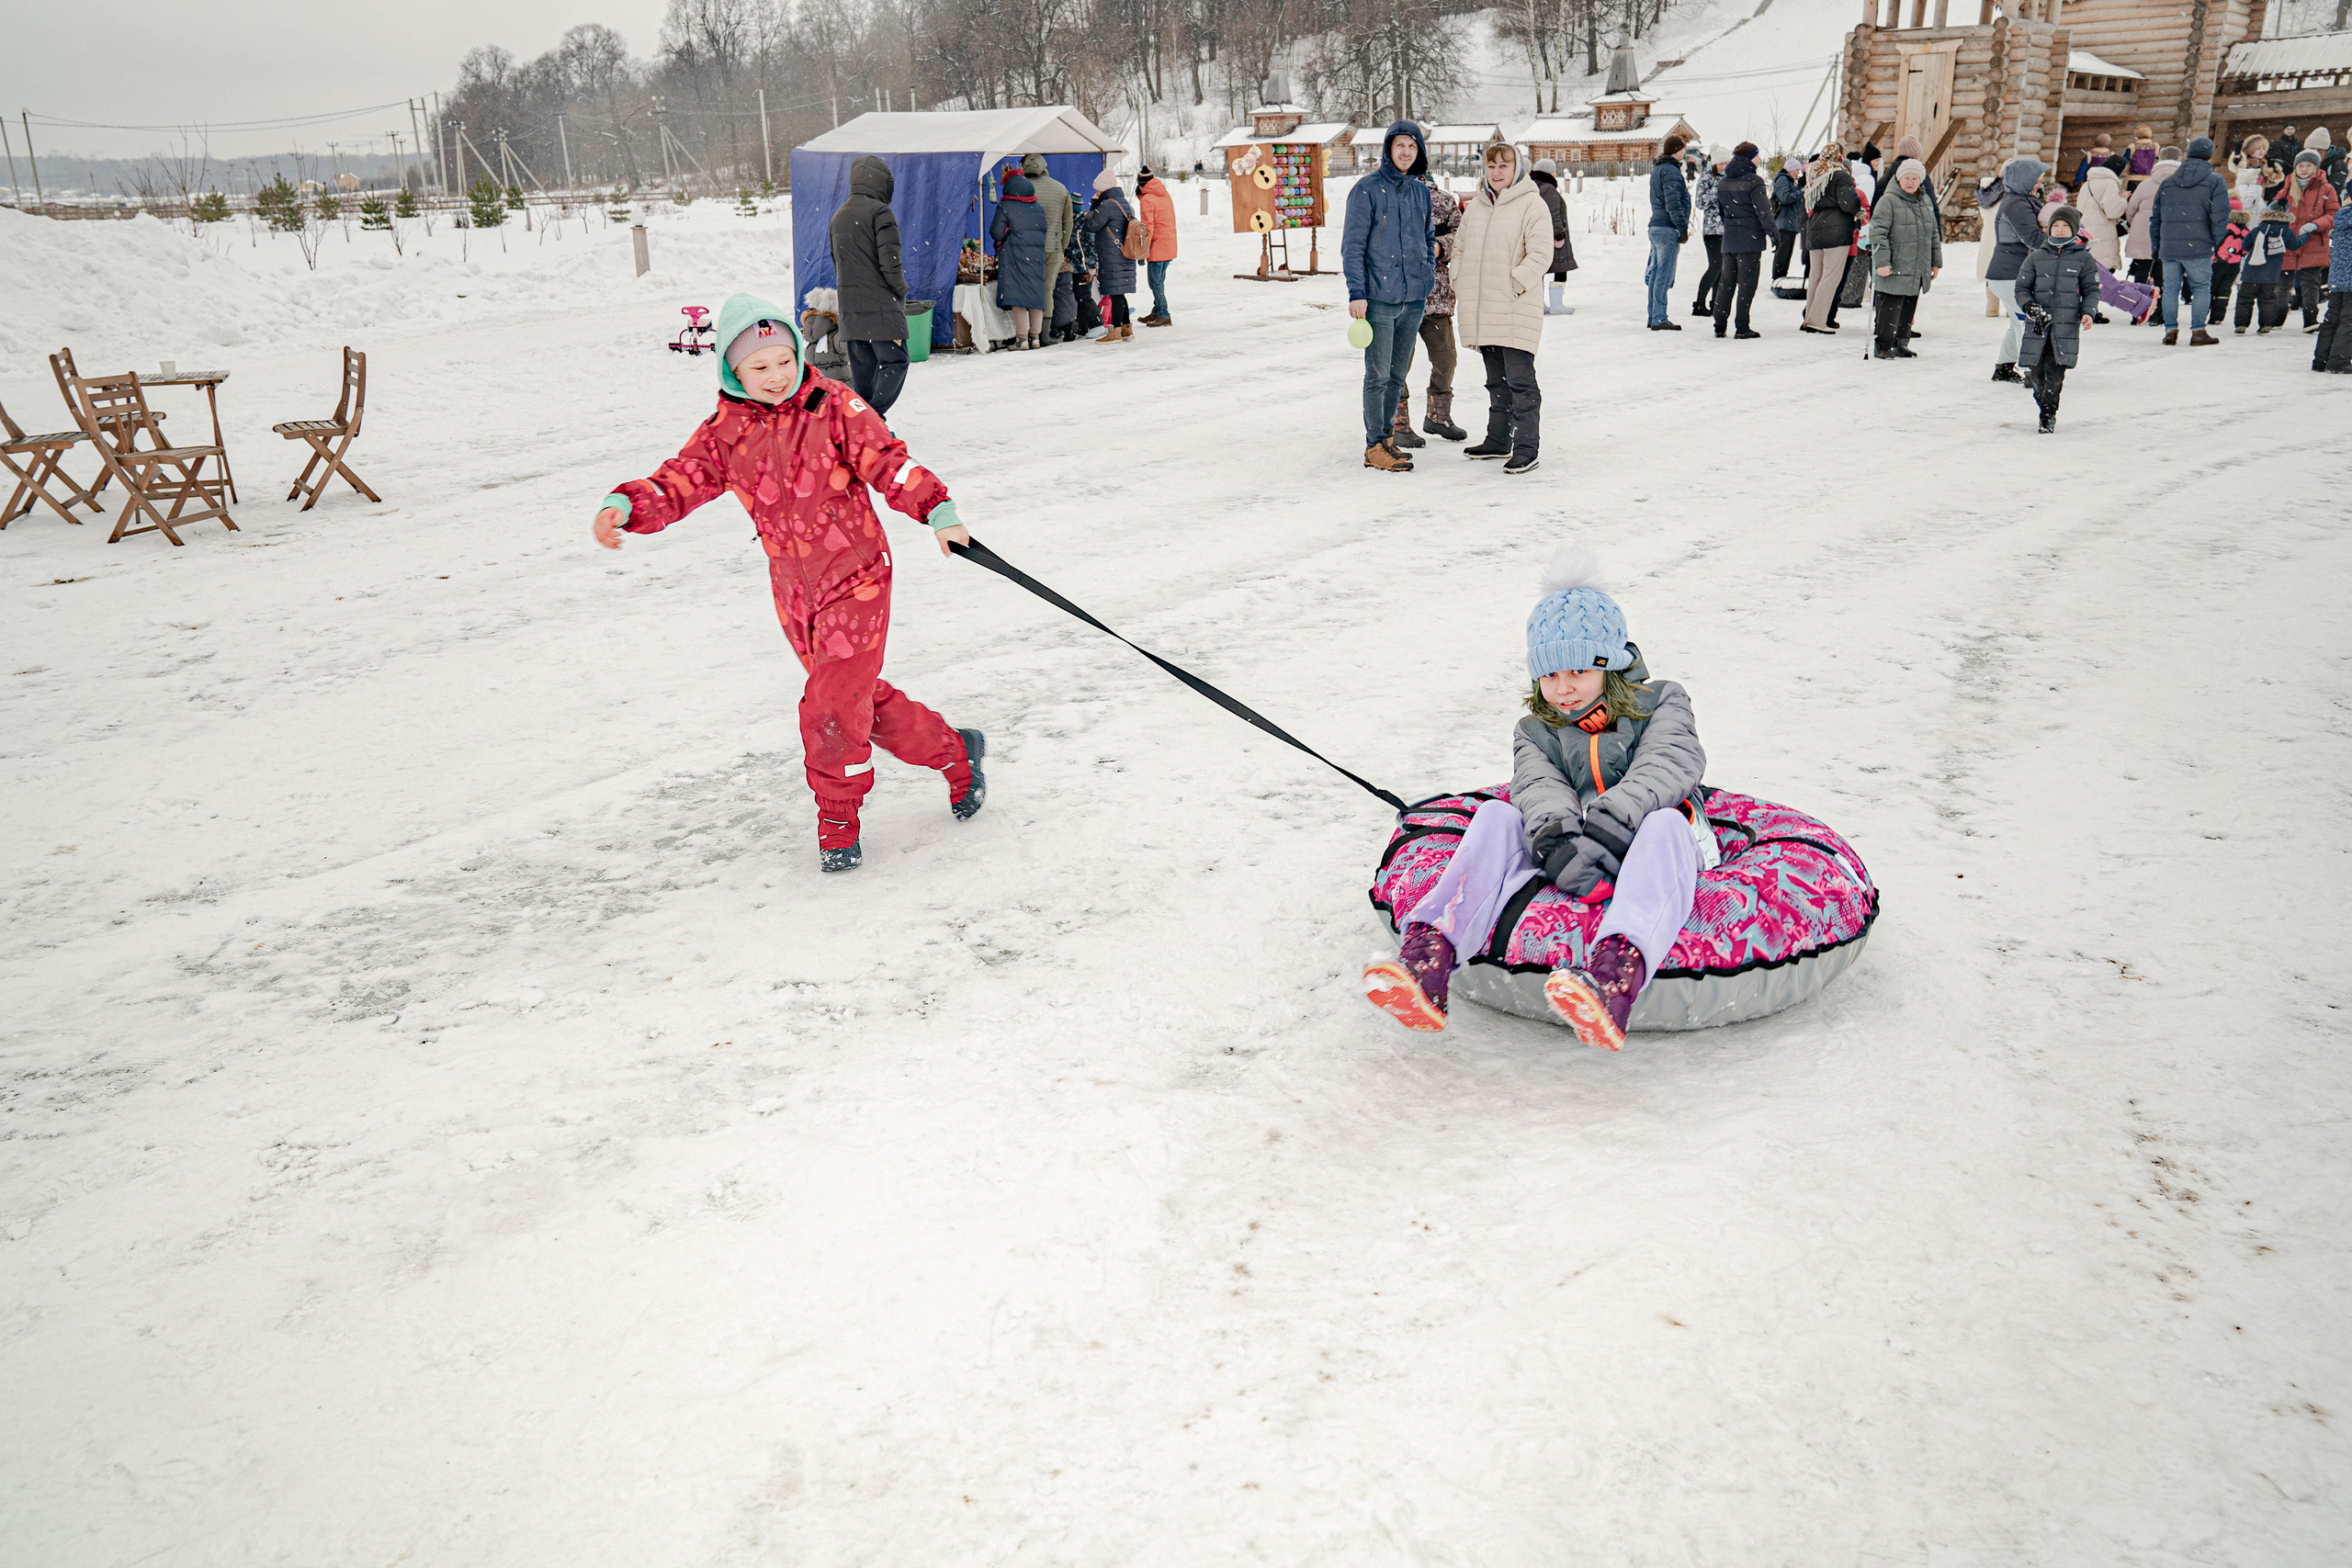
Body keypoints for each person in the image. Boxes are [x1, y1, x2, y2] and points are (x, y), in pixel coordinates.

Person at [592, 296, 982, 874]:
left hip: (858, 578)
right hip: (794, 591)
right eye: (759, 367)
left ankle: (838, 822)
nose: (775, 376)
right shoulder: (725, 432)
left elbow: (887, 461)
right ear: (732, 370)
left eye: (783, 361)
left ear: (799, 355)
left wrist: (938, 511)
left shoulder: (834, 407)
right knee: (853, 700)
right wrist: (626, 504)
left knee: (829, 705)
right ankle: (955, 753)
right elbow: (679, 482)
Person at [1361, 545, 1710, 1052]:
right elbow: (1538, 787)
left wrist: (1611, 824)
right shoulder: (1535, 729)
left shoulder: (1662, 702)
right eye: (1550, 675)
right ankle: (1430, 955)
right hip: (1572, 854)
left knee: (1664, 825)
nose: (1564, 689)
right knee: (1500, 814)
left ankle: (1613, 978)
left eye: (1578, 672)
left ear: (1610, 667)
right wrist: (1559, 844)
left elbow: (1670, 763)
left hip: (1653, 840)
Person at [1453, 139, 1553, 475]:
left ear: (1517, 169)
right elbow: (1460, 250)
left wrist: (1514, 283)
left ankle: (1527, 447)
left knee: (1521, 382)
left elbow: (1541, 254)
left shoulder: (1531, 205)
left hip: (1514, 306)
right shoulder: (1478, 206)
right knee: (1496, 381)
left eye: (1504, 165)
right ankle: (1498, 440)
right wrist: (1459, 280)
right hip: (1485, 308)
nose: (1497, 172)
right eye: (1491, 166)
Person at [1342, 119, 1437, 471]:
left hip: (1413, 298)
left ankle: (1387, 440)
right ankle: (1374, 446)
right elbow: (1352, 246)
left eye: (1412, 147)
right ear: (1388, 149)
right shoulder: (1366, 190)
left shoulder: (1420, 192)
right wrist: (1357, 292)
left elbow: (1428, 240)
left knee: (1397, 376)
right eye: (1400, 145)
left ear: (1419, 152)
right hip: (1379, 299)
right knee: (1377, 375)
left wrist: (1425, 276)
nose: (1406, 152)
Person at [829, 155, 911, 413]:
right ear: (882, 183)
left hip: (851, 310)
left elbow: (837, 263)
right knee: (896, 361)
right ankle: (874, 418)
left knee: (863, 371)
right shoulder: (881, 212)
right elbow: (891, 264)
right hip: (881, 307)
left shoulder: (839, 216)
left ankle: (860, 422)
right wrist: (901, 290)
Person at [2012, 207, 2102, 434]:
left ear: (2074, 230)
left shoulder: (2083, 259)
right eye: (2056, 226)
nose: (2060, 230)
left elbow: (2091, 289)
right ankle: (2043, 402)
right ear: (2049, 228)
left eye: (2065, 226)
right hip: (2038, 323)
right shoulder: (2036, 256)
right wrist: (2030, 306)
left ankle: (2048, 415)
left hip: (2065, 324)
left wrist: (2088, 311)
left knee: (2055, 373)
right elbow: (2021, 287)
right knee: (2037, 373)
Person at [1393, 174, 1466, 445]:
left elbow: (1461, 236)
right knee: (1399, 362)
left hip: (1436, 296)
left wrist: (1439, 246)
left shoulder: (1445, 201)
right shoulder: (1391, 197)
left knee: (1446, 359)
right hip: (1401, 295)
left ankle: (1437, 417)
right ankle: (1398, 423)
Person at [2148, 135, 2231, 344]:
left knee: (2171, 289)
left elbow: (2156, 217)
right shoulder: (2215, 180)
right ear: (2210, 156)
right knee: (2202, 287)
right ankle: (2198, 331)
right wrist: (2216, 240)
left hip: (2169, 246)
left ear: (2188, 154)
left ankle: (2170, 330)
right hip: (2199, 245)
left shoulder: (2168, 183)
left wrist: (2157, 245)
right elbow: (2220, 216)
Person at [1869, 157, 1942, 357]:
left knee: (1909, 305)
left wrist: (1935, 262)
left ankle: (1901, 342)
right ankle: (1884, 345)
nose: (1910, 182)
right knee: (1891, 306)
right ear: (1899, 179)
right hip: (1895, 264)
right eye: (1907, 178)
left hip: (1917, 264)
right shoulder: (1888, 201)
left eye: (1915, 178)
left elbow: (1933, 234)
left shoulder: (1924, 201)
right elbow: (1877, 233)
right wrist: (1882, 262)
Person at [1985, 157, 2048, 381]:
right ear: (2024, 180)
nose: (2040, 186)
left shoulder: (2021, 200)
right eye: (2037, 181)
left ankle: (2003, 367)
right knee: (2026, 321)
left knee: (2017, 321)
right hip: (2009, 273)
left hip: (2009, 273)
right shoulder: (2017, 204)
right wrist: (2065, 242)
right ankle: (2033, 370)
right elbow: (2033, 238)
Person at [1712, 142, 1772, 338]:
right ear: (1750, 158)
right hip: (1750, 239)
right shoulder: (1754, 181)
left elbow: (1722, 213)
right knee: (1747, 284)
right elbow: (1764, 212)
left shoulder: (1724, 182)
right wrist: (1774, 234)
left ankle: (1719, 325)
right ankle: (1742, 327)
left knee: (1726, 282)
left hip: (1730, 239)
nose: (1758, 159)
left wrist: (1733, 227)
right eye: (1757, 155)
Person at [1801, 142, 1860, 333]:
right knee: (1830, 277)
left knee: (1816, 277)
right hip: (1836, 230)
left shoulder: (1814, 173)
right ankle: (1817, 320)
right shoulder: (1840, 174)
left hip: (1815, 228)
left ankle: (1809, 316)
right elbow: (1849, 203)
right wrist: (1858, 210)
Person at [2281, 151, 2340, 329]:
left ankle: (2310, 320)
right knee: (2282, 285)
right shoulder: (2287, 188)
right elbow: (2277, 210)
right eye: (2301, 166)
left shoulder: (2327, 188)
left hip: (2314, 241)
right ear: (2296, 168)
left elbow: (2333, 214)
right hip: (2289, 242)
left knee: (2310, 284)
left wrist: (2316, 224)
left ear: (2315, 168)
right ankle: (2275, 319)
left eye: (2308, 166)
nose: (2304, 169)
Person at [1082, 168, 1139, 344]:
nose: (1096, 193)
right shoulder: (1124, 203)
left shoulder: (1107, 205)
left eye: (1098, 190)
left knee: (1114, 293)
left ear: (1104, 189)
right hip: (1124, 253)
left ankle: (1114, 333)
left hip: (1111, 255)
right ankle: (1126, 329)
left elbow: (1091, 225)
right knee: (1119, 292)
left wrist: (1093, 205)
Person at [1018, 154, 1071, 344]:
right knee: (1047, 289)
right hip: (1054, 247)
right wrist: (1062, 247)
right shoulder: (1061, 189)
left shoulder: (1021, 188)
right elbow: (1068, 222)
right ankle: (1044, 334)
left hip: (1027, 248)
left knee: (1026, 290)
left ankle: (1026, 334)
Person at [1645, 133, 1692, 329]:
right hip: (1667, 228)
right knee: (1663, 275)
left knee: (1656, 274)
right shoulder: (1671, 171)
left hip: (1656, 225)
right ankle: (1659, 318)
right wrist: (1681, 227)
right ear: (1677, 150)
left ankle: (1653, 316)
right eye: (1683, 148)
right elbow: (1673, 203)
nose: (1685, 152)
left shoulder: (1658, 169)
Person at [2235, 198, 2296, 333]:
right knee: (2268, 299)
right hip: (2271, 273)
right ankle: (2266, 324)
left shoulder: (2257, 230)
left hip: (2252, 271)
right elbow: (2294, 245)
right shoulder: (2286, 232)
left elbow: (2245, 246)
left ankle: (2241, 325)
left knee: (2245, 298)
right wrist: (2306, 236)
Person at [1529, 157, 1577, 314]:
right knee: (1561, 268)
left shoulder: (1534, 186)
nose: (1556, 173)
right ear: (1548, 171)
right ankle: (1557, 305)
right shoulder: (1548, 188)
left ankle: (1539, 303)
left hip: (1538, 235)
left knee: (1540, 269)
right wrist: (1559, 235)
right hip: (1553, 236)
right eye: (1554, 170)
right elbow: (1553, 213)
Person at [2123, 147, 2178, 282]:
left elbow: (2131, 210)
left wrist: (2134, 223)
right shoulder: (2185, 186)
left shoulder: (2145, 184)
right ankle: (2160, 301)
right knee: (2163, 273)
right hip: (2170, 234)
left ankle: (2140, 298)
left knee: (2142, 269)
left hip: (2144, 231)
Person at [1135, 165, 1179, 325]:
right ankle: (1156, 311)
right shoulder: (1163, 193)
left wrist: (1143, 250)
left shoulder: (1147, 200)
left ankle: (1163, 313)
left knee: (1155, 283)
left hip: (1157, 247)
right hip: (1169, 244)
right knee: (1159, 281)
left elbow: (1148, 227)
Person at [2313, 206, 2352, 371]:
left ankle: (2321, 360)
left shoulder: (2343, 216)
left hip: (2339, 277)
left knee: (2333, 318)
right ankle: (2339, 361)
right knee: (2349, 320)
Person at [1690, 144, 1726, 317]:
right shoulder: (1706, 179)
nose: (1724, 167)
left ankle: (1716, 303)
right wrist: (1716, 190)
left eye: (1727, 164)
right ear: (1714, 164)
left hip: (1726, 230)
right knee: (1715, 265)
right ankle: (1699, 303)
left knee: (1722, 268)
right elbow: (1700, 203)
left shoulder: (1729, 178)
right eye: (1721, 164)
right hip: (1712, 231)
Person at [2078, 152, 2129, 275]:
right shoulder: (2110, 183)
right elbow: (2113, 212)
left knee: (2091, 275)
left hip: (2087, 233)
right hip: (2103, 235)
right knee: (2105, 275)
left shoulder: (2087, 184)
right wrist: (2123, 200)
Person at [2211, 201, 2248, 329]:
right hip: (2234, 264)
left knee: (2210, 289)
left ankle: (2203, 313)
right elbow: (2245, 249)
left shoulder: (2223, 227)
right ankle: (2217, 317)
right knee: (2225, 291)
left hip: (2217, 262)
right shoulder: (2246, 230)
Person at [1770, 153, 1806, 280]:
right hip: (1784, 221)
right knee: (1783, 251)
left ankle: (1782, 275)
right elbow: (1785, 198)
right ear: (1790, 170)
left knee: (1787, 251)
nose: (1798, 173)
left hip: (1789, 221)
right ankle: (1778, 276)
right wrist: (1800, 192)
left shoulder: (1787, 180)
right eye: (1796, 170)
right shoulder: (1783, 180)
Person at [2125, 126, 2159, 193]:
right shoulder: (2155, 146)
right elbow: (2160, 158)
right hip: (2149, 178)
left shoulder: (2132, 147)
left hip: (2134, 178)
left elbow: (2125, 160)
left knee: (2133, 200)